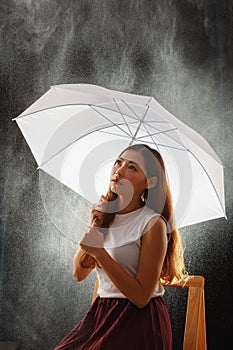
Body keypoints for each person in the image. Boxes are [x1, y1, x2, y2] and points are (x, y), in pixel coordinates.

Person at [54, 144, 188, 350]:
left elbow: (142, 297)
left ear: (150, 182)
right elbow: (78, 273)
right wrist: (95, 224)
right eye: (118, 162)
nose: (119, 170)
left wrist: (100, 252)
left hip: (139, 320)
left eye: (132, 167)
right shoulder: (104, 215)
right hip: (102, 313)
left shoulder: (152, 224)